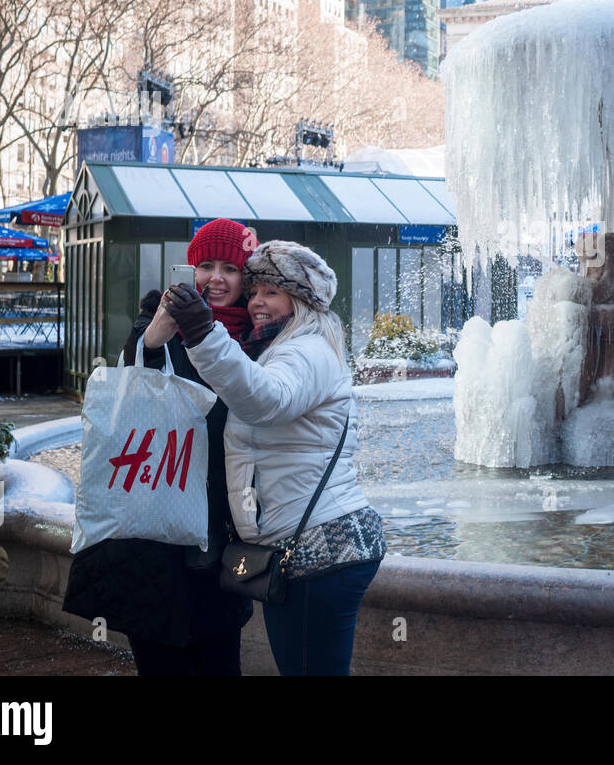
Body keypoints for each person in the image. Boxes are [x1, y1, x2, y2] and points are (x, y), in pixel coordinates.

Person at [161, 240, 385, 676]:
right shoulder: (283, 345)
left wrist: (204, 334)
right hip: (313, 547)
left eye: (272, 293)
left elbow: (265, 400)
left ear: (300, 300)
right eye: (256, 290)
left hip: (318, 553)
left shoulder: (306, 350)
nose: (257, 302)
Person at [63, 218, 256, 675]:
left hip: (220, 522)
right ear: (189, 270)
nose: (216, 279)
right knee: (159, 657)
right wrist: (158, 333)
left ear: (246, 278)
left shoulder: (258, 330)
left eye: (230, 268)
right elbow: (127, 386)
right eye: (205, 265)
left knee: (220, 656)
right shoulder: (158, 317)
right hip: (152, 514)